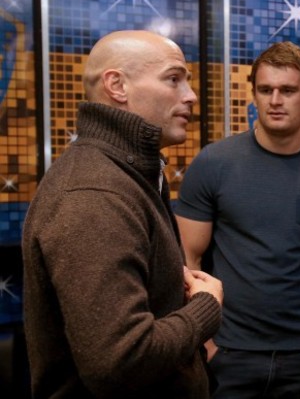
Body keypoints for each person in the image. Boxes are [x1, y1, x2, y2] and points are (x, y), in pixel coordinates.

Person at [21, 30, 224, 398]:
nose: (191, 96)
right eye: (173, 79)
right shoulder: (94, 194)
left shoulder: (128, 174)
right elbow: (121, 362)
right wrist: (204, 309)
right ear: (117, 86)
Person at [174, 41, 300, 398]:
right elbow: (186, 260)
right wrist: (202, 341)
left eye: (288, 90)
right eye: (265, 90)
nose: (275, 100)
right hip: (229, 353)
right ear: (254, 95)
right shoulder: (213, 164)